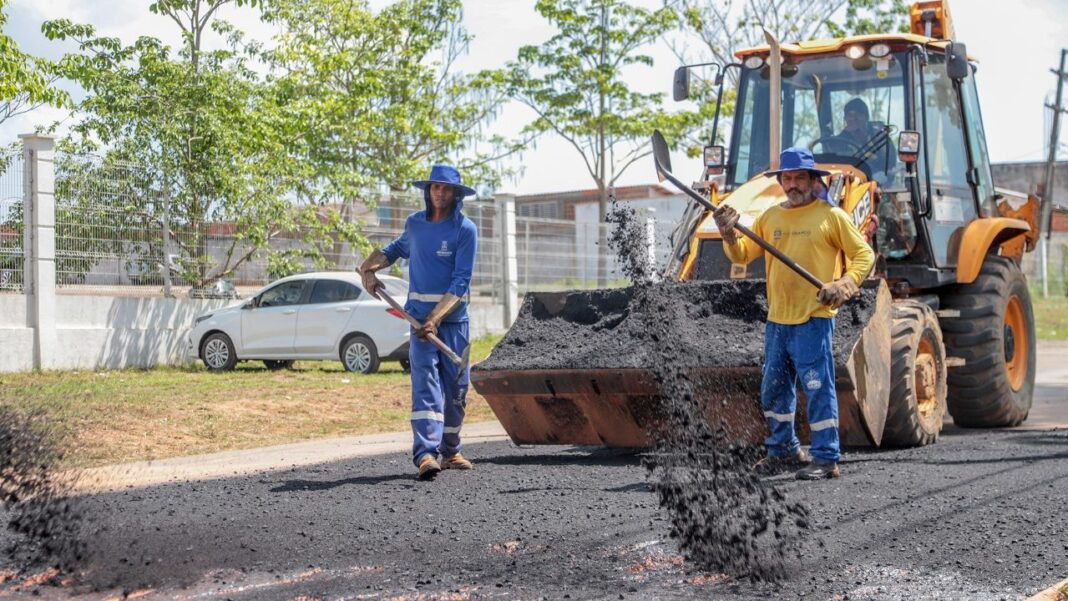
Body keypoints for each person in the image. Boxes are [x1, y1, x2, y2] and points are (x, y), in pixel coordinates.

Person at [713, 147, 874, 480]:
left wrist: (844, 284)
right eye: (787, 178)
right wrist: (729, 232)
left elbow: (864, 255)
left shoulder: (831, 216)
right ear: (781, 182)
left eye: (800, 177)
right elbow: (741, 255)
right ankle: (784, 451)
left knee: (817, 387)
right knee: (773, 389)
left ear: (813, 180)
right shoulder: (770, 217)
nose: (793, 184)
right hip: (778, 322)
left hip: (813, 319)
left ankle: (826, 458)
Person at [359, 164, 478, 481]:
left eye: (446, 188)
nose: (439, 193)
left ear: (455, 194)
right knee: (425, 387)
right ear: (428, 191)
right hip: (418, 324)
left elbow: (461, 282)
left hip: (454, 324)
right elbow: (392, 251)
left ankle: (450, 450)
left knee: (456, 390)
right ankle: (425, 453)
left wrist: (436, 318)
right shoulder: (415, 225)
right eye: (434, 187)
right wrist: (368, 268)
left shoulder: (465, 230)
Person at [828, 97, 897, 180]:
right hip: (849, 181)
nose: (853, 119)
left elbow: (890, 164)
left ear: (866, 118)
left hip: (878, 184)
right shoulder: (839, 142)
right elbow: (835, 163)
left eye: (858, 115)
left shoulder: (879, 137)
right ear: (845, 119)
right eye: (849, 115)